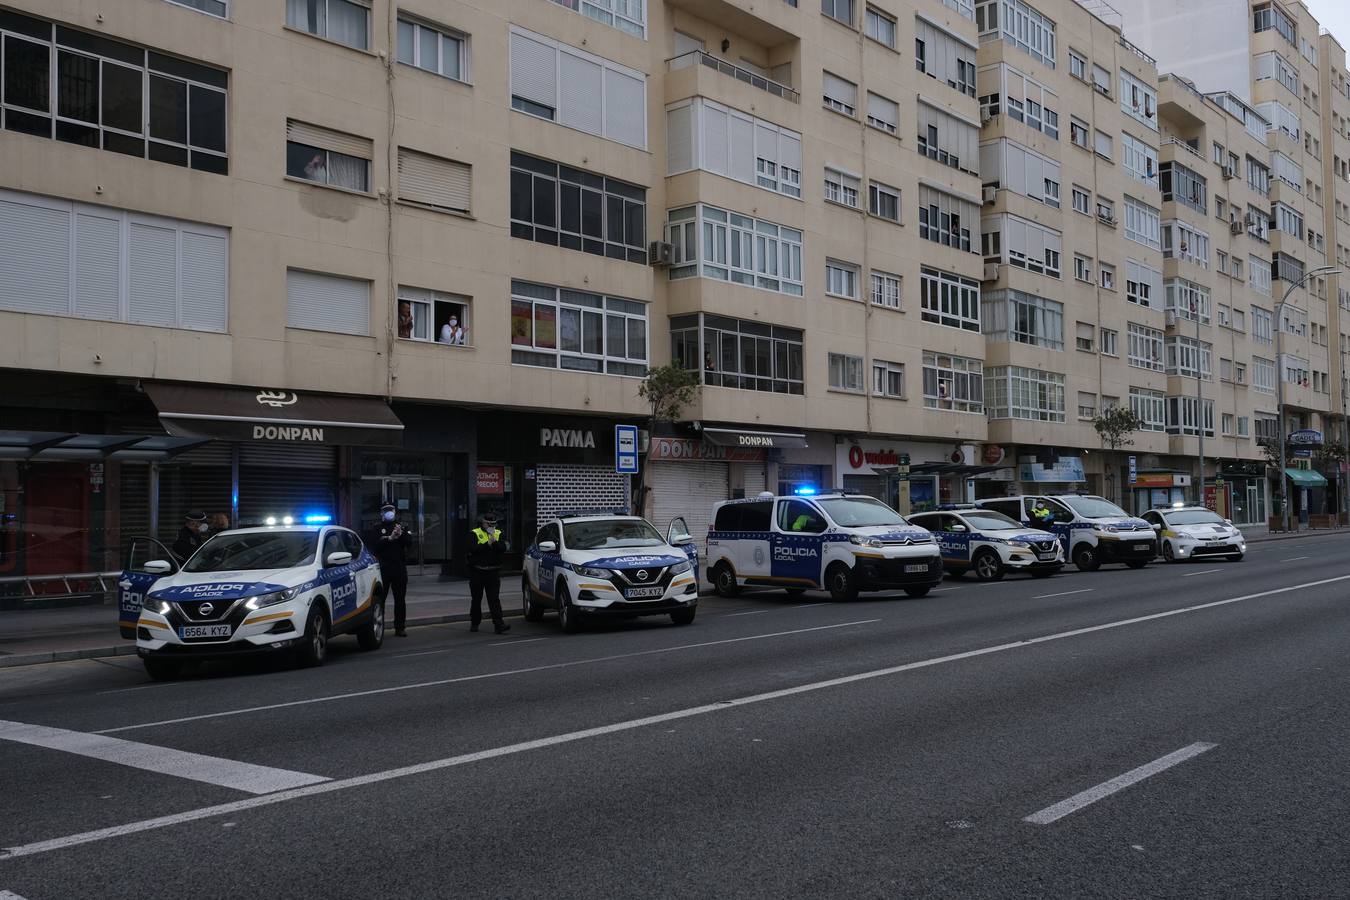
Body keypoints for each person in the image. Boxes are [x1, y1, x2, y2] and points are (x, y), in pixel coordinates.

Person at [366, 502, 412, 637]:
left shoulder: (402, 526)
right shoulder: (376, 528)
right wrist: (389, 538)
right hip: (383, 569)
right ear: (381, 513)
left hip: (399, 567)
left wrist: (400, 534)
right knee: (380, 600)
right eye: (386, 510)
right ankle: (380, 627)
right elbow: (373, 546)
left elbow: (409, 543)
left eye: (391, 510)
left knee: (400, 599)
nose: (389, 512)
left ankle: (400, 627)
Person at [467, 513, 509, 634]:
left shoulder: (499, 533)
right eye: (489, 524)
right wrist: (487, 544)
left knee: (494, 600)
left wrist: (494, 542)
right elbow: (473, 549)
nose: (491, 526)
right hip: (477, 572)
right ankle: (474, 623)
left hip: (493, 572)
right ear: (483, 523)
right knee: (476, 599)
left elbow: (503, 548)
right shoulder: (474, 533)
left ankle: (499, 625)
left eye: (494, 524)